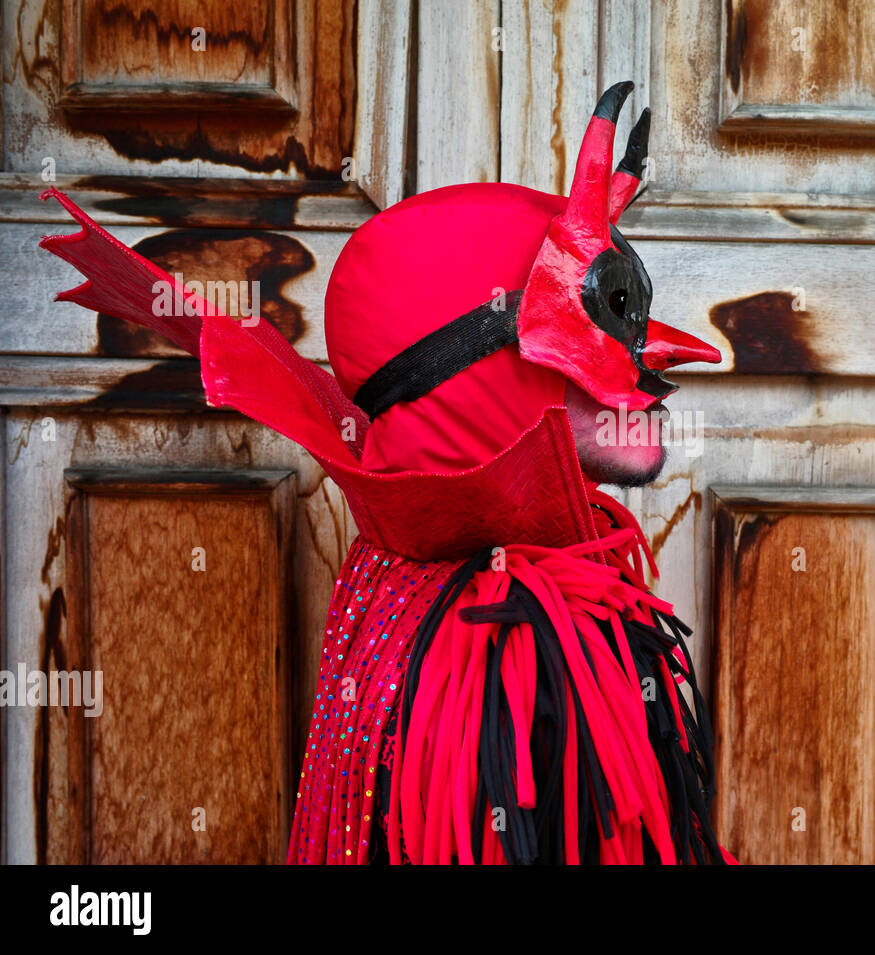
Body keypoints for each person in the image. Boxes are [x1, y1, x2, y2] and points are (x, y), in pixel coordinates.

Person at [40, 81, 732, 865]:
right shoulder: (505, 649)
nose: (655, 369)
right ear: (482, 375)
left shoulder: (411, 579)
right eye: (607, 314)